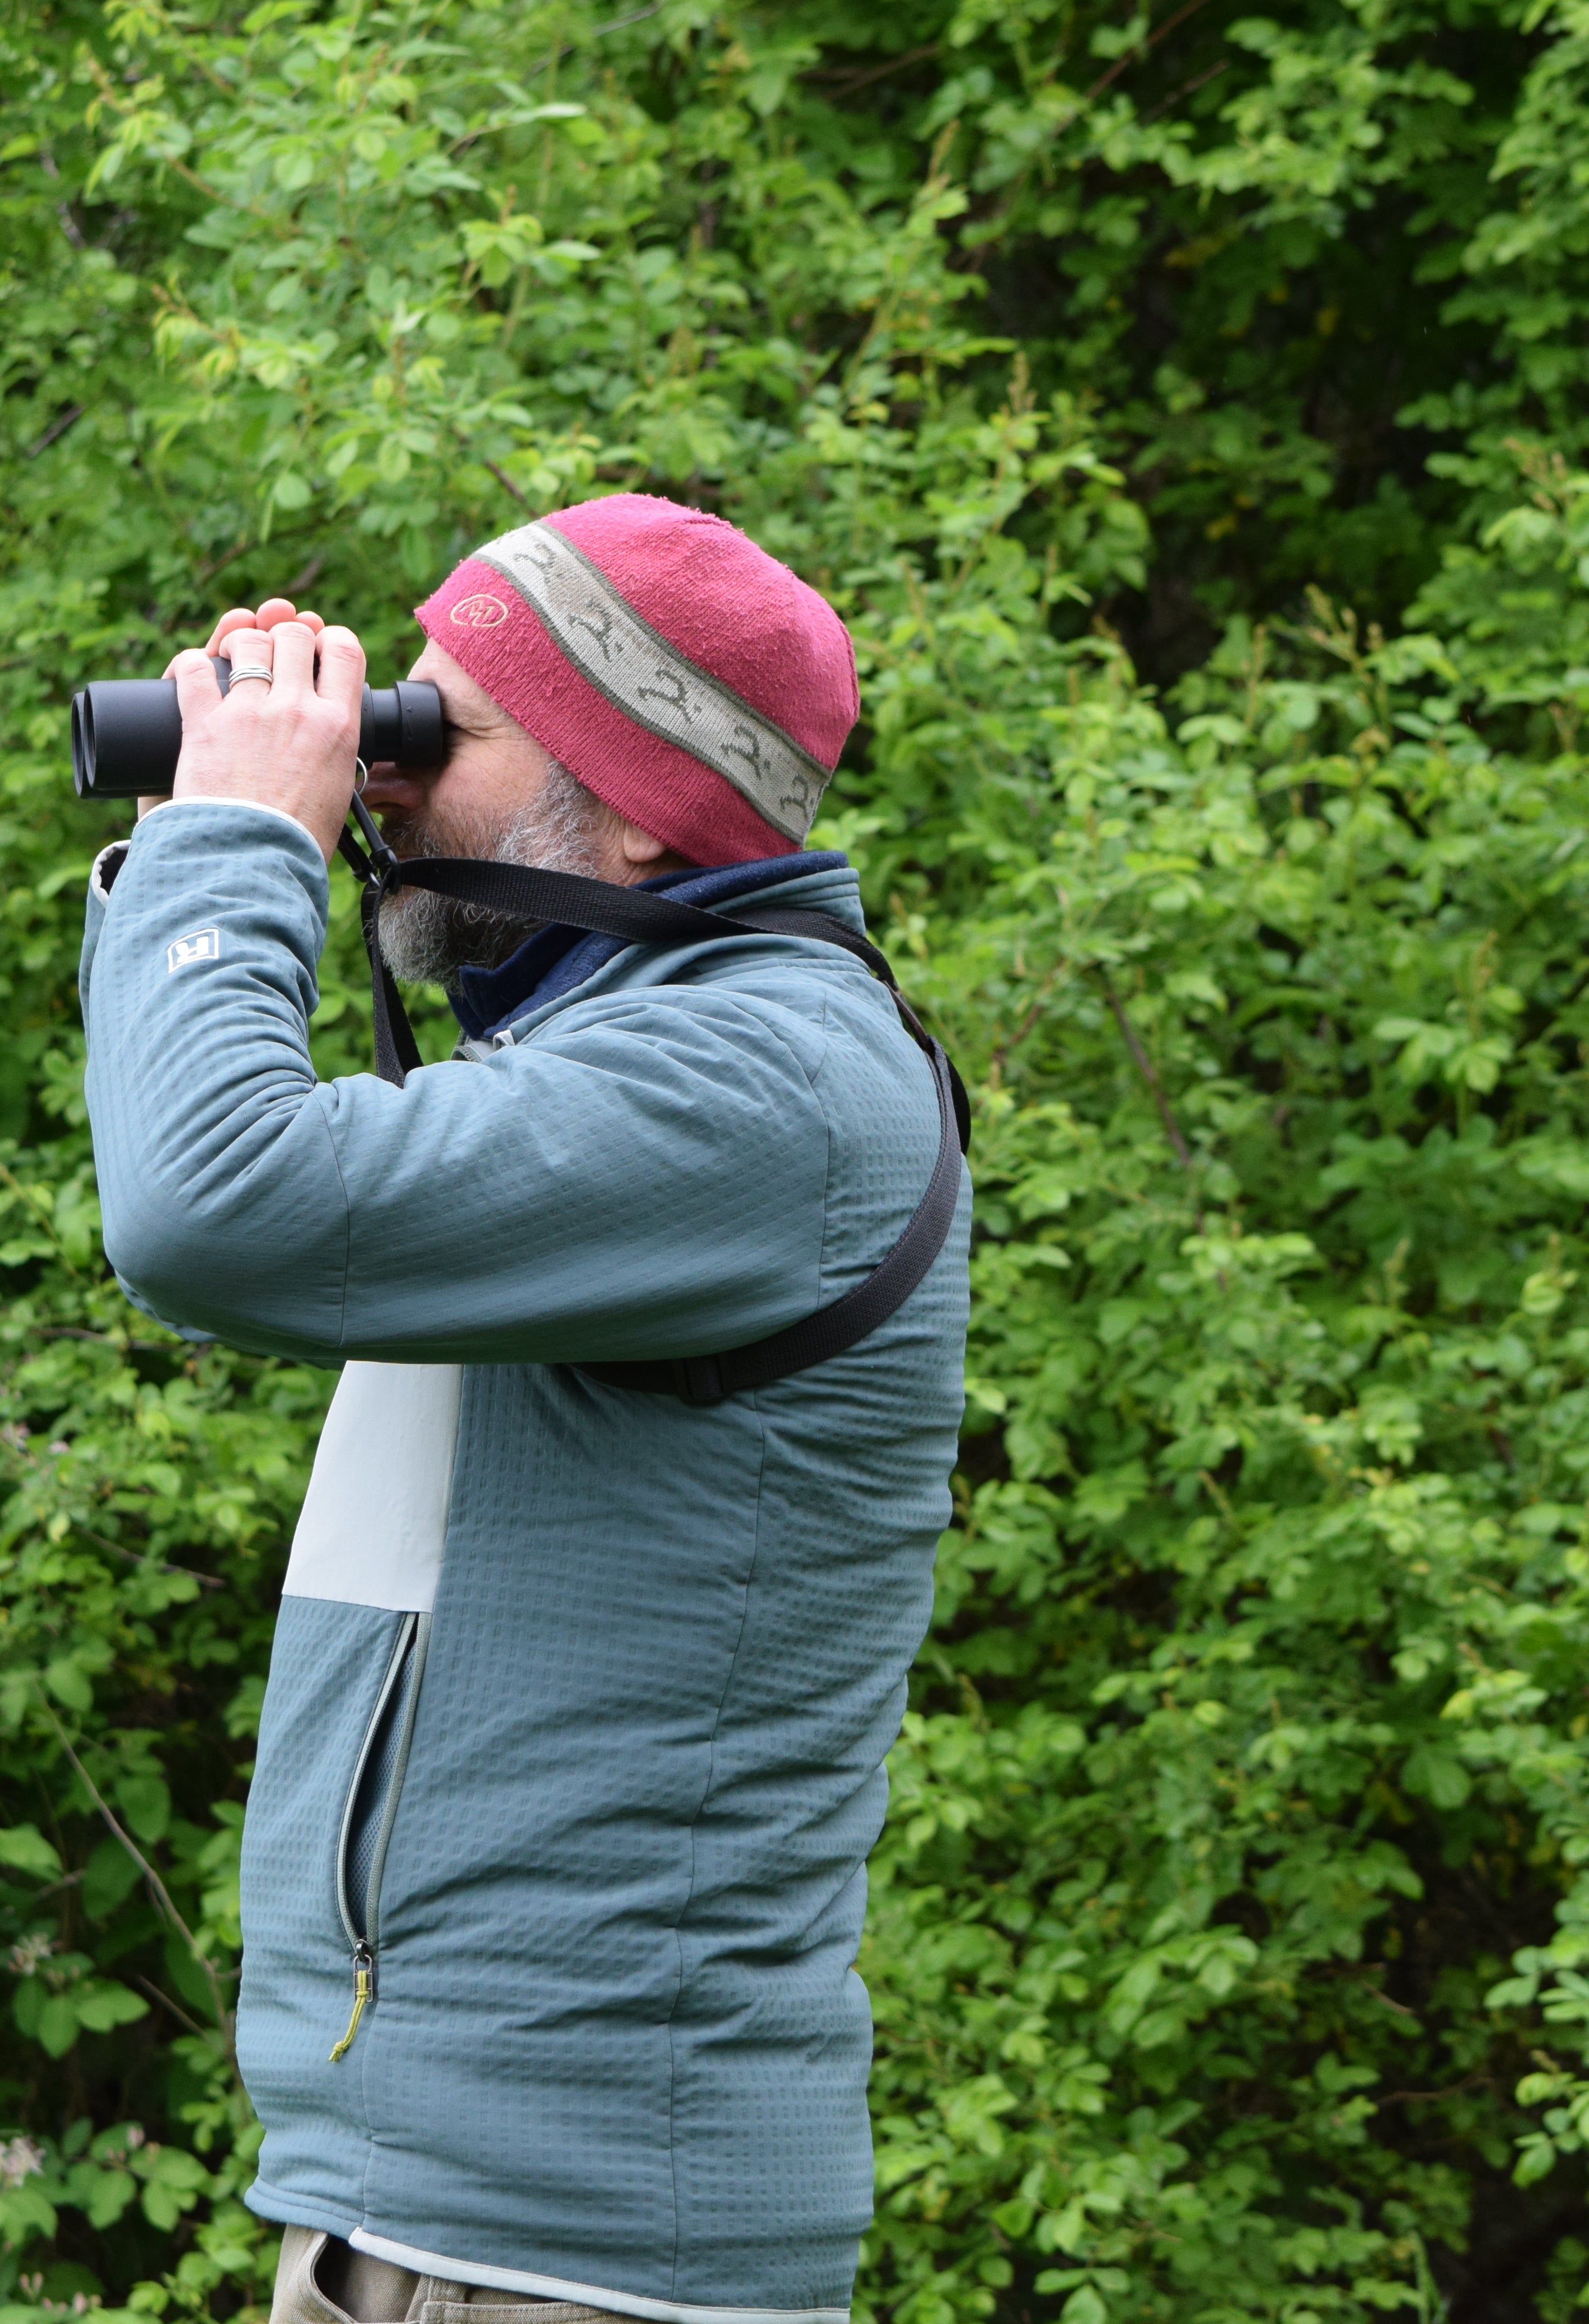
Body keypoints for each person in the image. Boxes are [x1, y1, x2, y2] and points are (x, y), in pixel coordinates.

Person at [76, 495, 967, 2324]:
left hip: (580, 2248)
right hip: (432, 2220)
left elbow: (208, 1209)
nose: (379, 779)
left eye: (432, 734)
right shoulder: (620, 1062)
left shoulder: (764, 1086)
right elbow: (216, 1169)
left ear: (633, 810)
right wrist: (194, 839)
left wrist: (245, 835)